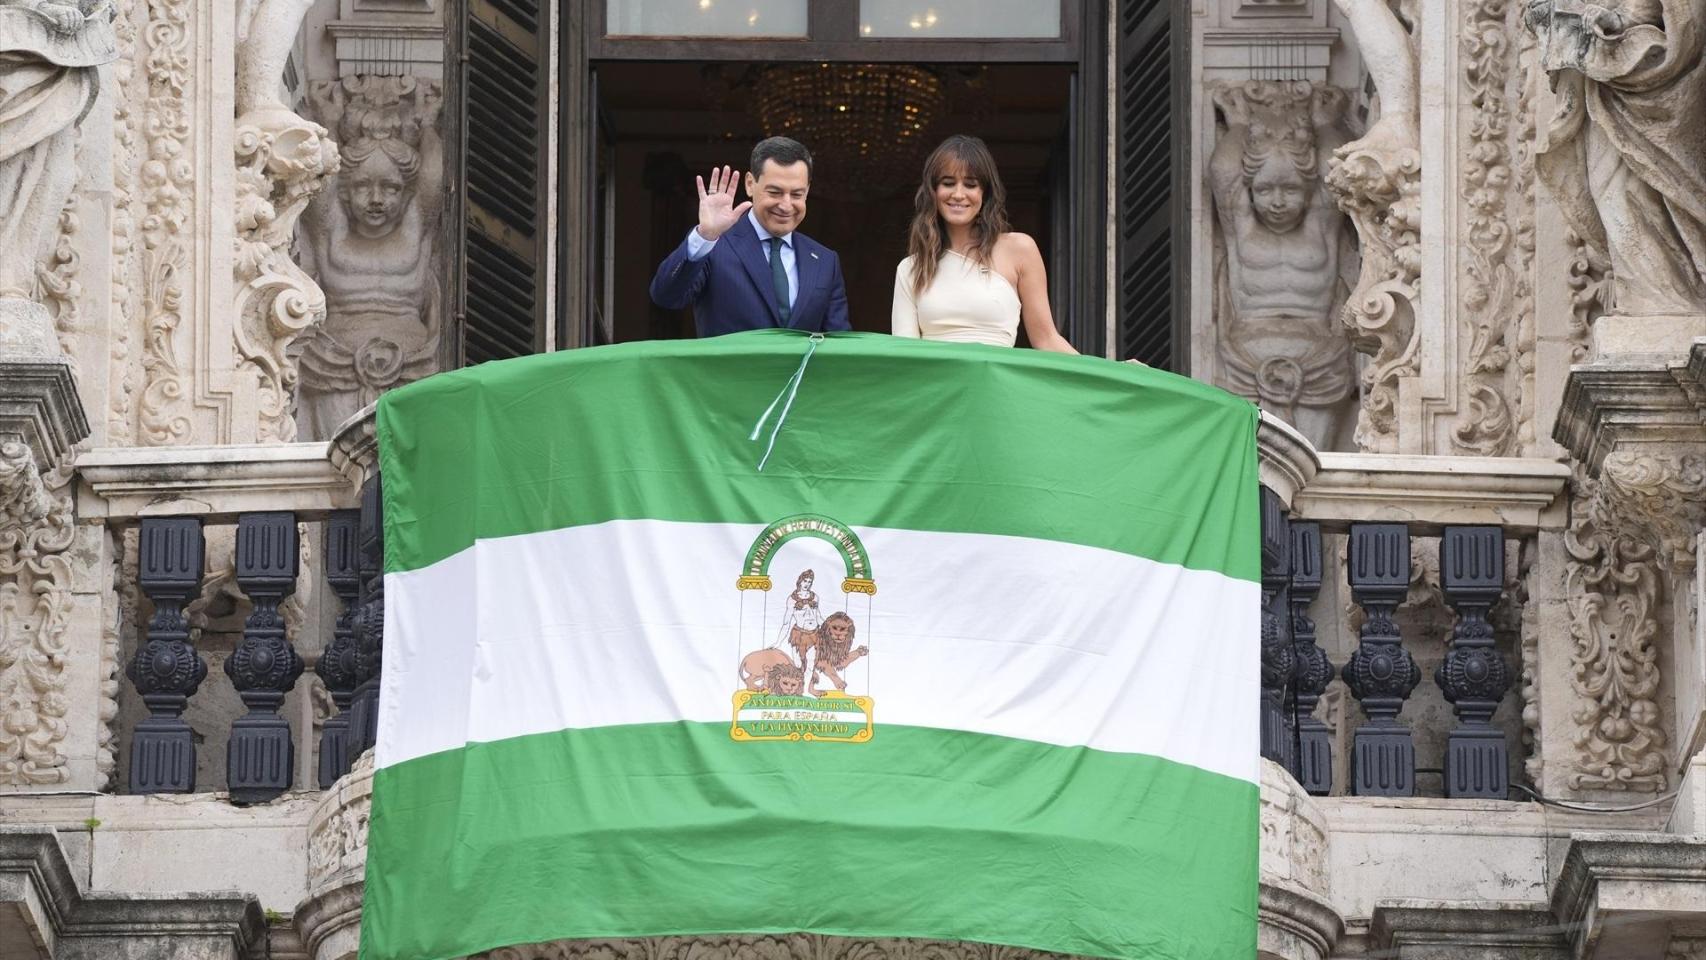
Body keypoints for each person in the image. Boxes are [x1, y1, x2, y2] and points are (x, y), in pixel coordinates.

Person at [891, 135, 1077, 353]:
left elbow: (1047, 339)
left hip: (996, 383)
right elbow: (906, 354)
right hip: (937, 384)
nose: (958, 194)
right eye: (948, 183)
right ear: (933, 192)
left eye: (970, 184)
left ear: (985, 193)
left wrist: (1108, 374)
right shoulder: (911, 268)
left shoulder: (1019, 249)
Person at [650, 137, 851, 337]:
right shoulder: (714, 244)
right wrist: (705, 236)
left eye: (797, 194)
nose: (786, 205)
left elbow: (839, 342)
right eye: (775, 192)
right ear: (750, 184)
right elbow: (666, 296)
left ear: (807, 191)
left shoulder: (825, 260)